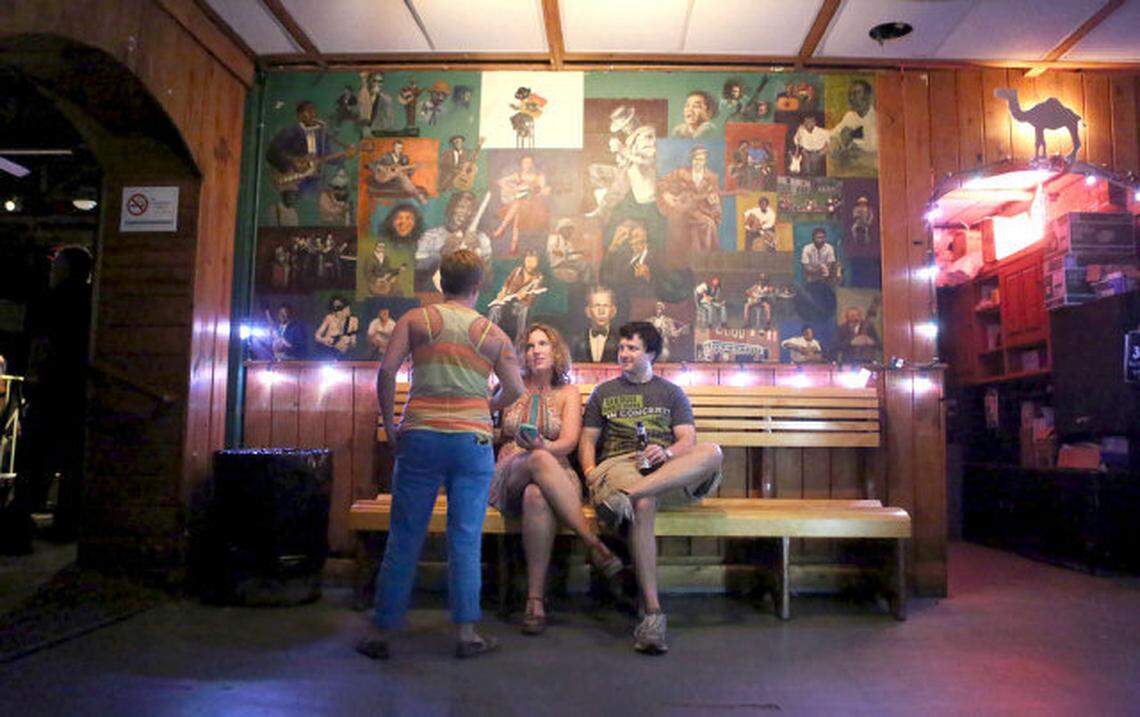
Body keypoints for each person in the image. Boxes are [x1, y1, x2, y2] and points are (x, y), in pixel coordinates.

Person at [357, 250, 524, 660]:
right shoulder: (492, 334)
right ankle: (467, 634)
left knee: (405, 534)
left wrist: (391, 422)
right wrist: (486, 407)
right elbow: (516, 390)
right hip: (472, 442)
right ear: (479, 285)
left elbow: (385, 373)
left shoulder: (416, 321)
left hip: (421, 436)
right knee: (465, 538)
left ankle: (382, 632)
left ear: (439, 282)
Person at [579, 321, 723, 654]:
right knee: (646, 504)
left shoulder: (671, 392)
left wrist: (667, 451)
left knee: (712, 452)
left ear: (651, 354)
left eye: (632, 348)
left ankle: (627, 499)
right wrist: (589, 472)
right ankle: (653, 614)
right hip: (620, 465)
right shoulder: (605, 393)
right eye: (622, 347)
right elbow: (588, 439)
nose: (623, 353)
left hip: (665, 470)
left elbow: (688, 438)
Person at [489, 324, 622, 634]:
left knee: (536, 495)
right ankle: (592, 542)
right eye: (530, 346)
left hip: (557, 475)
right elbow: (489, 425)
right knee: (536, 459)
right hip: (510, 472)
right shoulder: (510, 386)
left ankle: (534, 601)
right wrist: (497, 426)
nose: (535, 350)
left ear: (556, 350)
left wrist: (542, 447)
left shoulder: (568, 393)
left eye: (543, 344)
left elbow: (568, 442)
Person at [586, 105, 657, 220]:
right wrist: (619, 154)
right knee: (594, 169)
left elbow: (648, 160)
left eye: (627, 124)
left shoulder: (646, 134)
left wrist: (622, 150)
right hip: (627, 173)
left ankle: (604, 207)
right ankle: (604, 201)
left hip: (638, 178)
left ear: (635, 119)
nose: (625, 129)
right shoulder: (631, 138)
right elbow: (627, 159)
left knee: (618, 182)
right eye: (622, 127)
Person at [416, 191, 492, 291]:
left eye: (471, 210)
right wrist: (442, 253)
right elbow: (418, 271)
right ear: (451, 209)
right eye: (461, 207)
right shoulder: (431, 236)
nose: (466, 213)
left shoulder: (482, 239)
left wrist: (478, 253)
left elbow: (487, 283)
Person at [657, 145, 722, 253]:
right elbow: (661, 182)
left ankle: (705, 259)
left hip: (702, 211)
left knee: (709, 224)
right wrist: (666, 194)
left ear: (705, 161)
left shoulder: (712, 177)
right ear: (691, 160)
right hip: (682, 211)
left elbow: (715, 197)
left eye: (701, 160)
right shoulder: (680, 172)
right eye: (695, 159)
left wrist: (713, 201)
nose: (698, 162)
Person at [494, 154, 551, 254]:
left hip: (534, 204)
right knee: (518, 214)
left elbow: (544, 190)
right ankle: (513, 246)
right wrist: (513, 190)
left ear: (532, 164)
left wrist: (541, 191)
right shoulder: (518, 175)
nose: (528, 165)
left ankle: (502, 228)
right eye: (525, 162)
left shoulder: (539, 176)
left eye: (530, 162)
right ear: (521, 164)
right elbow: (500, 182)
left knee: (518, 207)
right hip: (521, 202)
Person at [488, 250, 545, 345]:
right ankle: (490, 336)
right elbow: (506, 284)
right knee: (495, 308)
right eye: (528, 261)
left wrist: (523, 296)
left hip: (522, 303)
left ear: (537, 263)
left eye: (533, 262)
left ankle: (519, 341)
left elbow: (532, 297)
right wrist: (502, 293)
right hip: (507, 299)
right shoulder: (517, 271)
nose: (530, 264)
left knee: (523, 310)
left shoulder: (538, 278)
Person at [829, 79, 878, 163]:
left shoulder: (877, 119)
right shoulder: (850, 116)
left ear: (868, 96)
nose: (852, 98)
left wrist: (858, 151)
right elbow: (833, 134)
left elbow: (876, 151)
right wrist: (835, 143)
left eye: (856, 93)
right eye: (850, 94)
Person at [573, 286, 620, 363]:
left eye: (605, 305)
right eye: (597, 306)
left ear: (613, 311)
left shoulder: (620, 340)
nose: (601, 311)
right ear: (588, 311)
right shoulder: (577, 340)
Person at [546, 217, 590, 284]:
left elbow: (571, 257)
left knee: (585, 265)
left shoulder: (568, 243)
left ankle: (583, 286)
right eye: (567, 229)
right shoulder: (554, 238)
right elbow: (550, 250)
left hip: (564, 264)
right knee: (583, 267)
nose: (570, 232)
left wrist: (581, 254)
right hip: (555, 265)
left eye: (571, 229)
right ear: (561, 230)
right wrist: (561, 254)